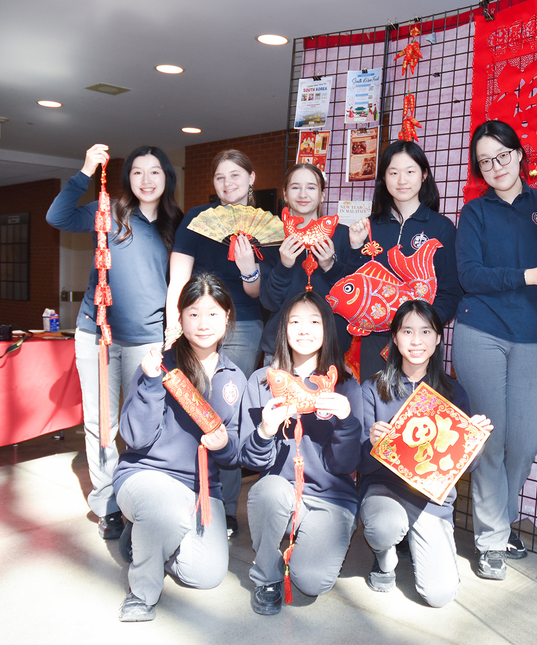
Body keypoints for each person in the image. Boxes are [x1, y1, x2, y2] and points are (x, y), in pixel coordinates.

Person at [452, 120, 537, 581]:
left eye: (503, 156)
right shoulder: (475, 213)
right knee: (491, 441)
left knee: (523, 442)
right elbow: (470, 276)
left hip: (532, 335)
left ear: (520, 155)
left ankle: (500, 521)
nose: (496, 167)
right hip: (481, 331)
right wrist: (529, 276)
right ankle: (491, 540)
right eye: (486, 161)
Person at [46, 143, 182, 540]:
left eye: (154, 171)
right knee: (100, 421)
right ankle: (107, 504)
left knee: (145, 421)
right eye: (137, 172)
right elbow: (58, 216)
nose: (146, 179)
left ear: (167, 177)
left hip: (148, 339)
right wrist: (85, 172)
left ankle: (141, 494)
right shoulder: (109, 211)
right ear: (128, 178)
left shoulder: (177, 223)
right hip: (97, 334)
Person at [112, 273, 246, 621]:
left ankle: (144, 537)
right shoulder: (159, 364)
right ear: (181, 318)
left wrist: (223, 445)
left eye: (213, 314)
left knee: (206, 574)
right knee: (164, 510)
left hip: (201, 488)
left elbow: (234, 454)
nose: (203, 324)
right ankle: (141, 595)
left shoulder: (235, 377)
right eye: (194, 314)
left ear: (227, 317)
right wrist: (150, 382)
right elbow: (135, 437)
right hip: (147, 475)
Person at [359, 300, 491, 607]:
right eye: (407, 331)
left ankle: (416, 540)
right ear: (394, 338)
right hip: (385, 489)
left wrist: (474, 443)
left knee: (439, 595)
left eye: (426, 331)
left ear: (438, 338)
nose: (416, 340)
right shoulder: (373, 388)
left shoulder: (453, 393)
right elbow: (360, 464)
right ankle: (384, 555)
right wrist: (371, 443)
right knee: (384, 527)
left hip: (431, 499)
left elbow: (465, 468)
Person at [167, 149, 271, 537]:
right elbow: (179, 279)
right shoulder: (196, 219)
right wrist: (174, 325)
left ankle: (225, 506)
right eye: (220, 177)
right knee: (190, 406)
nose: (228, 184)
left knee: (229, 413)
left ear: (251, 178)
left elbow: (260, 292)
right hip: (198, 322)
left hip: (243, 325)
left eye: (235, 175)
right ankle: (187, 490)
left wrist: (249, 268)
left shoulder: (266, 225)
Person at [239, 290, 362, 615]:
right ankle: (266, 576)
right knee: (268, 491)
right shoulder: (262, 382)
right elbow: (249, 460)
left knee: (311, 581)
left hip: (331, 497)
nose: (304, 330)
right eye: (295, 322)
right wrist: (265, 430)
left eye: (314, 322)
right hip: (280, 490)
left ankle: (317, 532)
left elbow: (347, 463)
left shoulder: (345, 385)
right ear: (283, 328)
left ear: (327, 329)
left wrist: (346, 421)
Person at [347, 140, 462, 379]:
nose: (402, 180)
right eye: (393, 173)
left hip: (421, 343)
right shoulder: (368, 227)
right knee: (375, 401)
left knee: (418, 402)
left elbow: (451, 292)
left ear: (424, 175)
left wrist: (422, 327)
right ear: (383, 178)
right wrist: (356, 248)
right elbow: (355, 286)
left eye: (410, 172)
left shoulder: (441, 227)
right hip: (375, 340)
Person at [259, 163, 351, 363]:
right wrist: (284, 266)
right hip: (281, 349)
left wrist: (330, 267)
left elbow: (352, 298)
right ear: (285, 194)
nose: (303, 194)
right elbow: (268, 302)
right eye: (295, 187)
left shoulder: (343, 235)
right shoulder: (272, 238)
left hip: (330, 348)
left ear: (322, 195)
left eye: (311, 187)